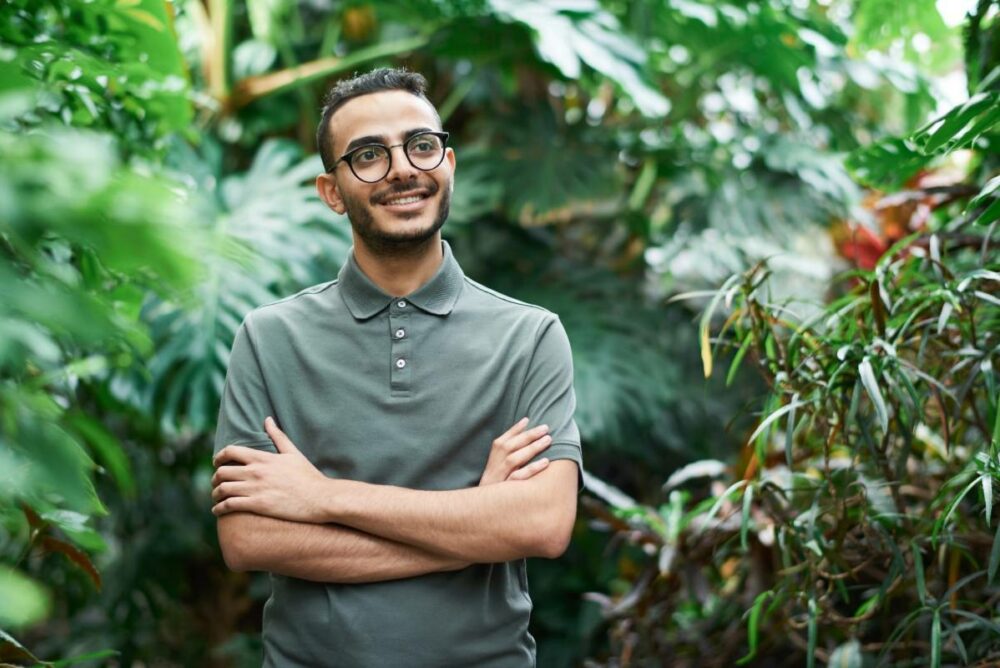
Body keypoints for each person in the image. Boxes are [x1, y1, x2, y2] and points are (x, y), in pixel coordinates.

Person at [210, 67, 584, 667]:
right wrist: (471, 534)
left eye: (421, 145)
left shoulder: (530, 335)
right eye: (367, 155)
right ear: (331, 191)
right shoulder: (270, 337)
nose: (403, 168)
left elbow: (540, 524)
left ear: (449, 163)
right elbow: (250, 538)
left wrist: (323, 497)